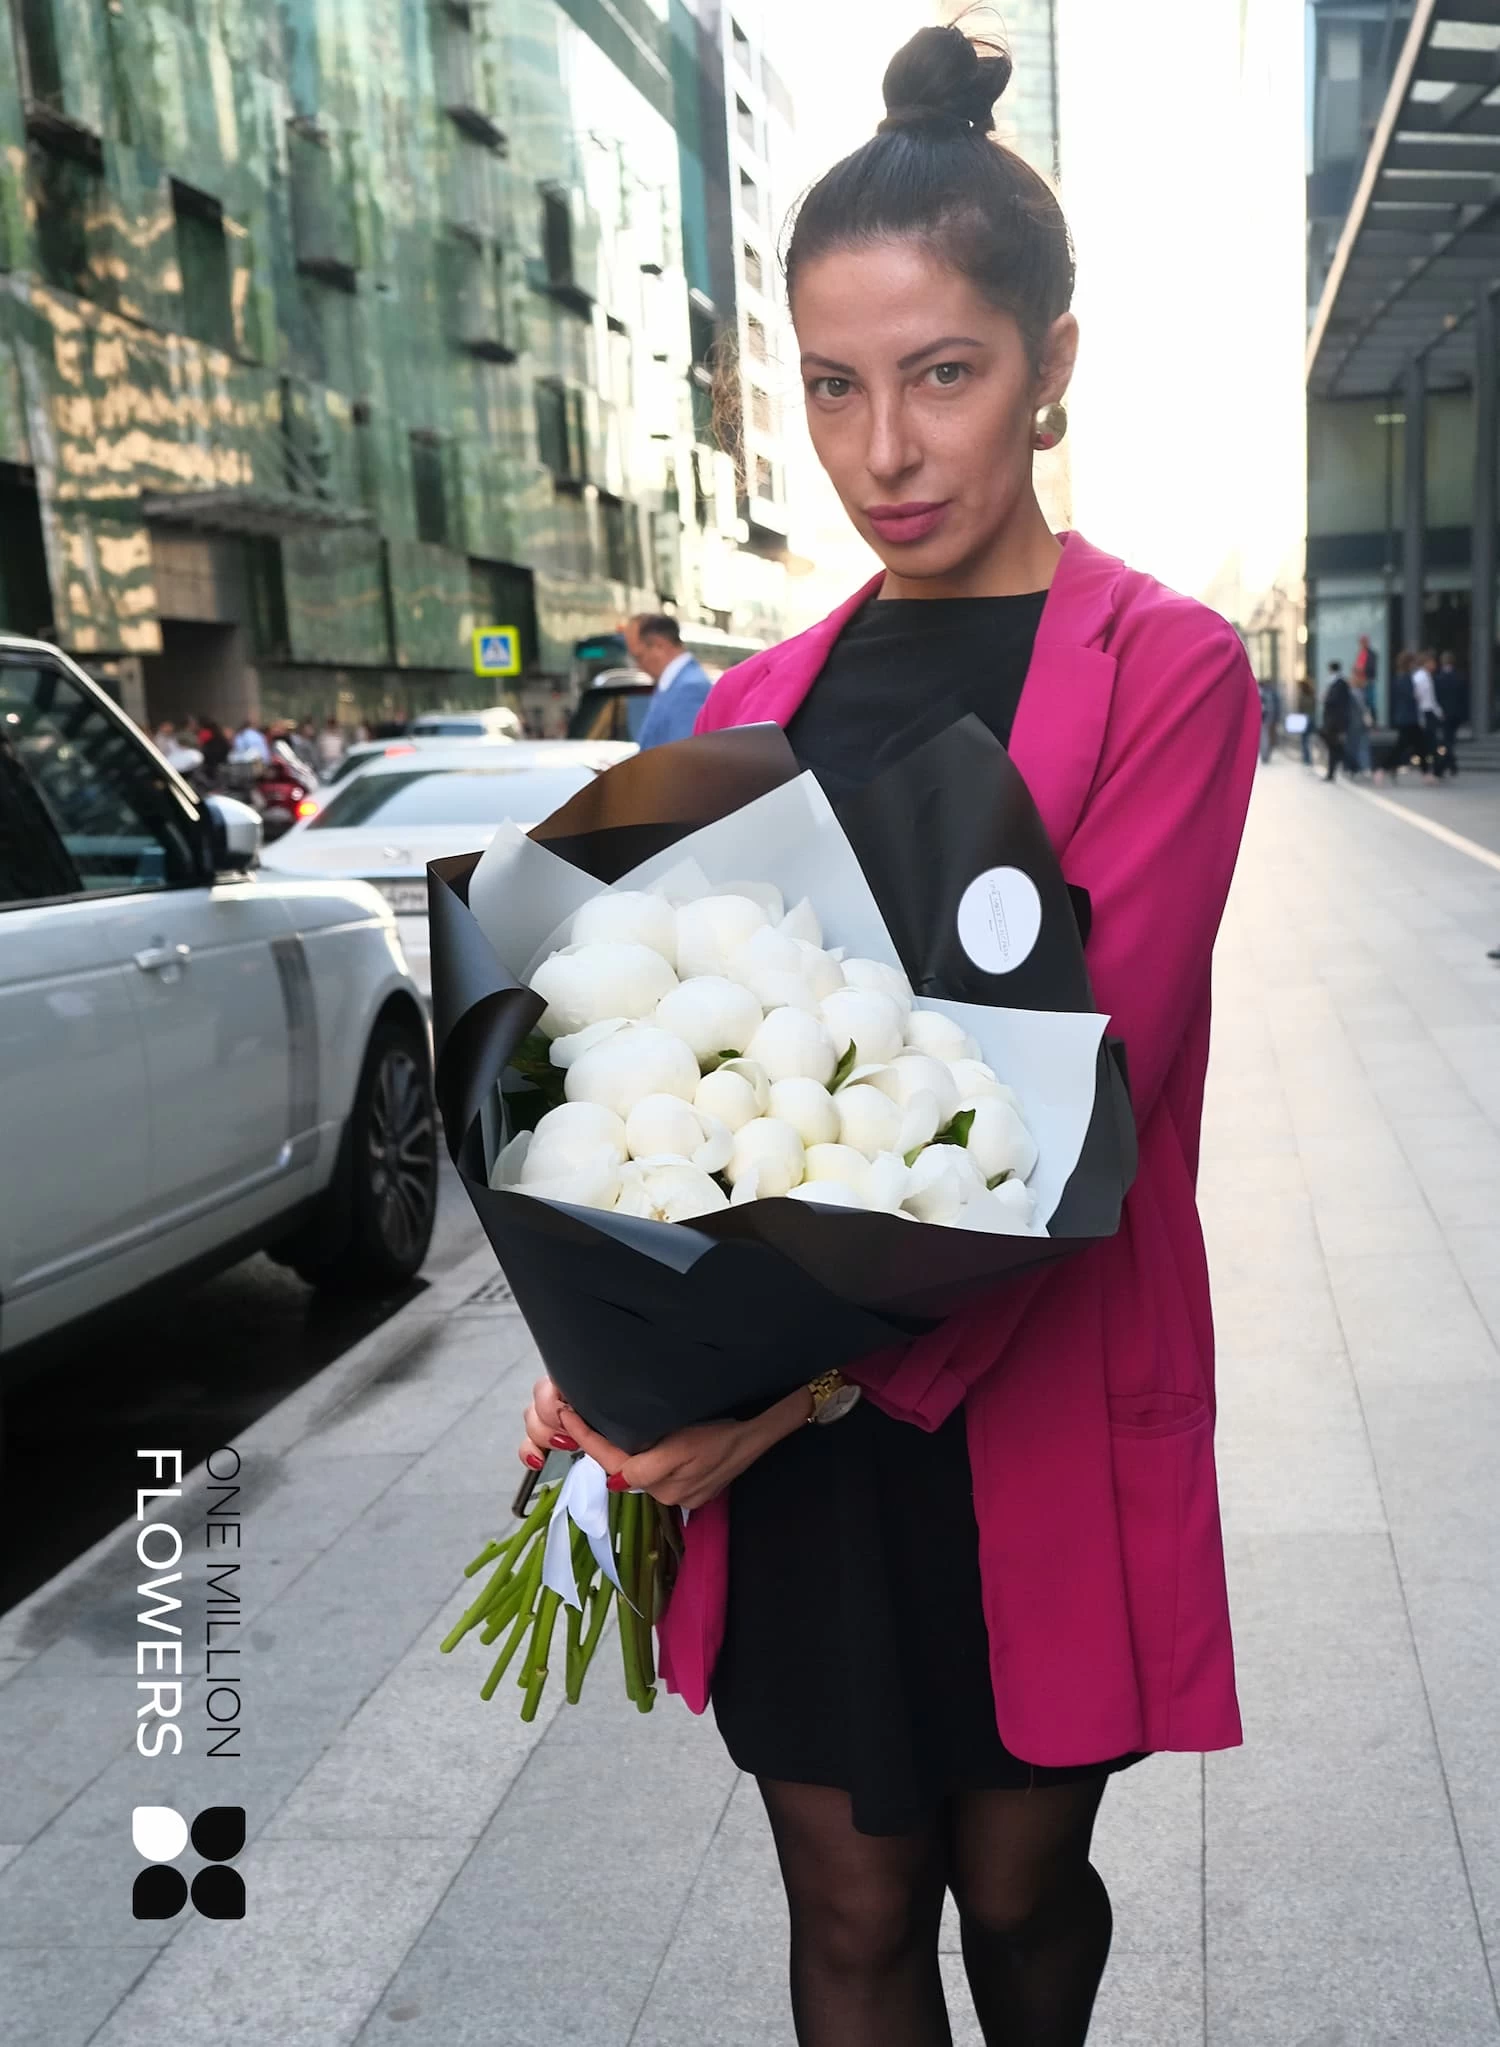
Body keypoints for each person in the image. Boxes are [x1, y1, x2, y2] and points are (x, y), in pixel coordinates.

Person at [517, 27, 1258, 2047]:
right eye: (835, 387)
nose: (886, 452)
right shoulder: (756, 694)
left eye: (944, 374)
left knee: (1019, 1894)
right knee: (850, 1910)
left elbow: (1088, 1088)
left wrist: (773, 1401)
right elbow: (649, 1056)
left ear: (1051, 361)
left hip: (1017, 1378)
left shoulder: (1166, 670)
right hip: (792, 1422)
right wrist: (608, 1341)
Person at [624, 613, 714, 747]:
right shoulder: (674, 684)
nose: (639, 666)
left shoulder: (690, 689)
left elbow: (682, 754)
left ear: (659, 645)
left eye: (639, 657)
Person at [1411, 648, 1444, 782]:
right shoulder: (1420, 677)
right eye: (1432, 662)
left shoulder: (1426, 676)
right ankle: (1432, 770)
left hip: (1429, 712)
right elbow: (1419, 698)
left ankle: (1433, 770)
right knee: (1429, 743)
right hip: (1424, 712)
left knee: (1431, 743)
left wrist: (1437, 711)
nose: (1434, 665)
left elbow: (1431, 698)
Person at [1435, 651, 1467, 777]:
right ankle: (1450, 765)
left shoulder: (1438, 678)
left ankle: (1449, 765)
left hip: (1444, 714)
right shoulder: (1460, 677)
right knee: (1450, 740)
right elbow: (1464, 698)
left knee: (1446, 740)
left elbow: (1437, 697)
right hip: (1456, 714)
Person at [1320, 660, 1353, 781]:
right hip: (1332, 721)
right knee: (1334, 746)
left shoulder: (1339, 684)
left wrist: (1325, 698)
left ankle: (1343, 764)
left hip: (1335, 722)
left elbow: (1335, 702)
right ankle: (1334, 770)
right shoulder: (1336, 683)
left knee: (1334, 746)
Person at [1257, 675, 1280, 762]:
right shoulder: (1270, 693)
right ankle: (1266, 755)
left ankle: (1265, 755)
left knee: (1265, 737)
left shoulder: (1264, 693)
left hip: (1266, 719)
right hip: (1268, 718)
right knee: (1267, 737)